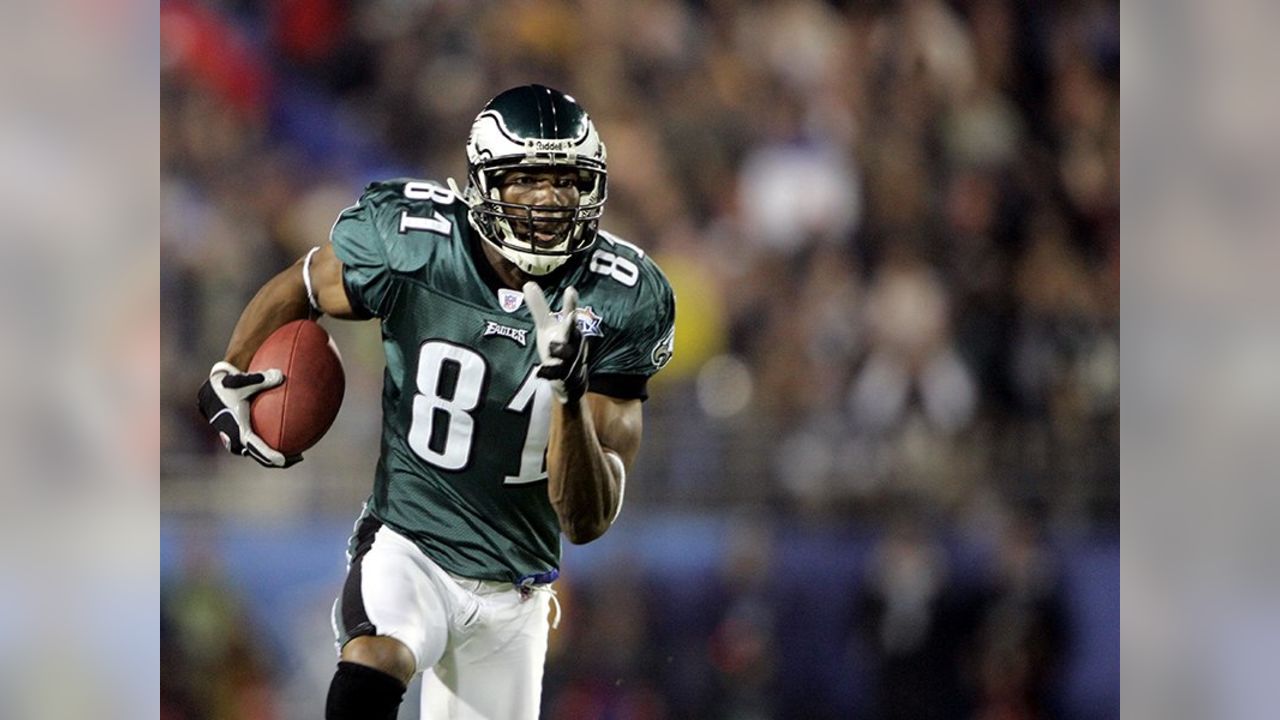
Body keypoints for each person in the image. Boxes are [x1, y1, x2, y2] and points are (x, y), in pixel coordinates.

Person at [196, 84, 676, 720]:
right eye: (528, 180)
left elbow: (585, 521)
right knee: (376, 652)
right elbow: (307, 281)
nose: (551, 201)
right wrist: (231, 366)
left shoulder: (621, 298)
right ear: (484, 181)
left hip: (517, 582)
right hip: (410, 538)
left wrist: (568, 394)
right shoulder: (417, 243)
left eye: (567, 181)